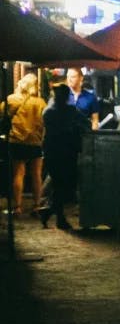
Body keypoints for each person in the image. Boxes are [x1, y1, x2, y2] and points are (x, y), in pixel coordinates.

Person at [39, 83, 86, 230]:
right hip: (67, 152)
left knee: (59, 185)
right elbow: (85, 124)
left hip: (52, 152)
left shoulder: (48, 111)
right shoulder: (70, 111)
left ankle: (52, 212)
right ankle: (56, 216)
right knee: (65, 185)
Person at [6, 73, 46, 216]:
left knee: (18, 173)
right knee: (36, 174)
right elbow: (44, 121)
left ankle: (17, 207)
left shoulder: (12, 99)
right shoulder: (40, 102)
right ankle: (36, 205)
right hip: (35, 141)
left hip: (17, 140)